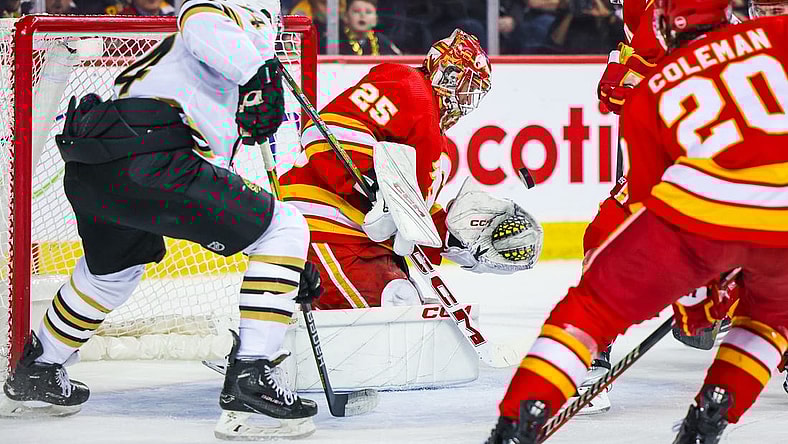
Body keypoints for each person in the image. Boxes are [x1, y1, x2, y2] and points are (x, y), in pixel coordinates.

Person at [1, 0, 321, 439]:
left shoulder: (208, 61)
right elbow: (199, 18)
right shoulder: (240, 24)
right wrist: (260, 70)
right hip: (148, 157)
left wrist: (283, 268)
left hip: (97, 163)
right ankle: (252, 377)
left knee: (110, 273)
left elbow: (216, 163)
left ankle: (39, 369)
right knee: (284, 226)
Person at [487, 0, 788, 442]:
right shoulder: (776, 38)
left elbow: (651, 206)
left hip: (704, 216)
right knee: (770, 318)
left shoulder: (653, 90)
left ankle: (519, 420)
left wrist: (696, 302)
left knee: (593, 302)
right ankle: (709, 419)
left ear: (664, 24)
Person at [279, 29, 543, 310]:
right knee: (391, 316)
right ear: (449, 74)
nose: (467, 102)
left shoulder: (440, 147)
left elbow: (409, 211)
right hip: (323, 224)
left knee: (405, 309)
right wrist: (374, 181)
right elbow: (327, 133)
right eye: (467, 88)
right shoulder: (407, 85)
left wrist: (455, 236)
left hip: (362, 243)